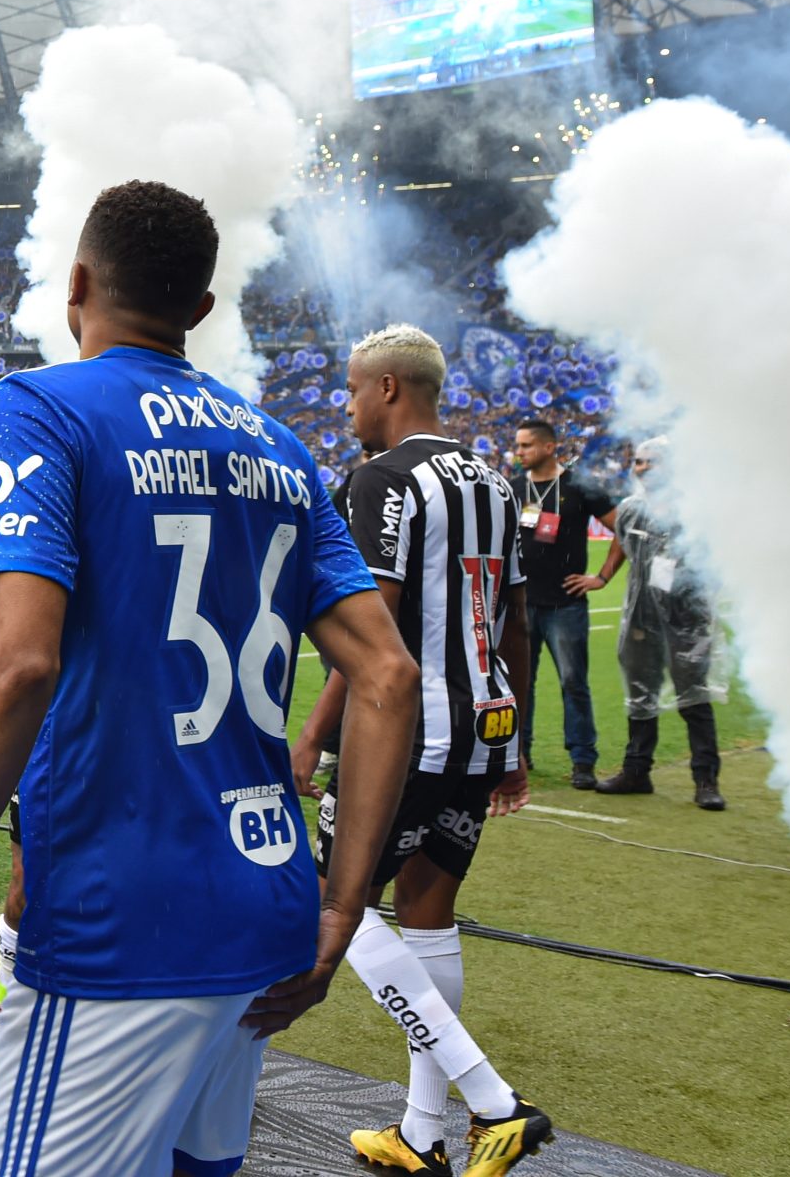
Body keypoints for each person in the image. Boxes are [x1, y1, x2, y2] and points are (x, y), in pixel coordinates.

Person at [0, 180, 422, 1176]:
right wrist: (341, 909)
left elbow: (17, 665)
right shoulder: (281, 448)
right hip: (266, 910)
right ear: (200, 310)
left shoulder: (38, 407)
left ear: (79, 283)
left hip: (119, 914)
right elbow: (388, 677)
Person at [291, 322, 554, 1173]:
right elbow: (517, 621)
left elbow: (377, 635)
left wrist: (312, 739)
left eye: (356, 390)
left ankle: (494, 1102)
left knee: (334, 901)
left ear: (391, 389)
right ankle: (418, 1132)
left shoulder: (386, 479)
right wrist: (514, 744)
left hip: (410, 736)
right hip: (482, 729)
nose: (351, 406)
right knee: (429, 912)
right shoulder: (494, 479)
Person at [576, 439, 725, 809]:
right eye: (639, 462)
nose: (642, 468)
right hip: (641, 613)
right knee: (640, 693)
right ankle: (637, 770)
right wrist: (603, 577)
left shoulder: (695, 508)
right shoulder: (632, 509)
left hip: (687, 615)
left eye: (651, 462)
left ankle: (706, 780)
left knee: (694, 697)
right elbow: (622, 543)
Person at [509, 416, 616, 788]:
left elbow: (622, 527)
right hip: (521, 603)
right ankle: (518, 754)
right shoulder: (513, 487)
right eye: (517, 445)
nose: (518, 452)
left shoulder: (579, 485)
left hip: (565, 606)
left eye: (525, 446)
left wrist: (601, 577)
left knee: (574, 683)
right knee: (520, 683)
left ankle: (583, 760)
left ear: (549, 447)